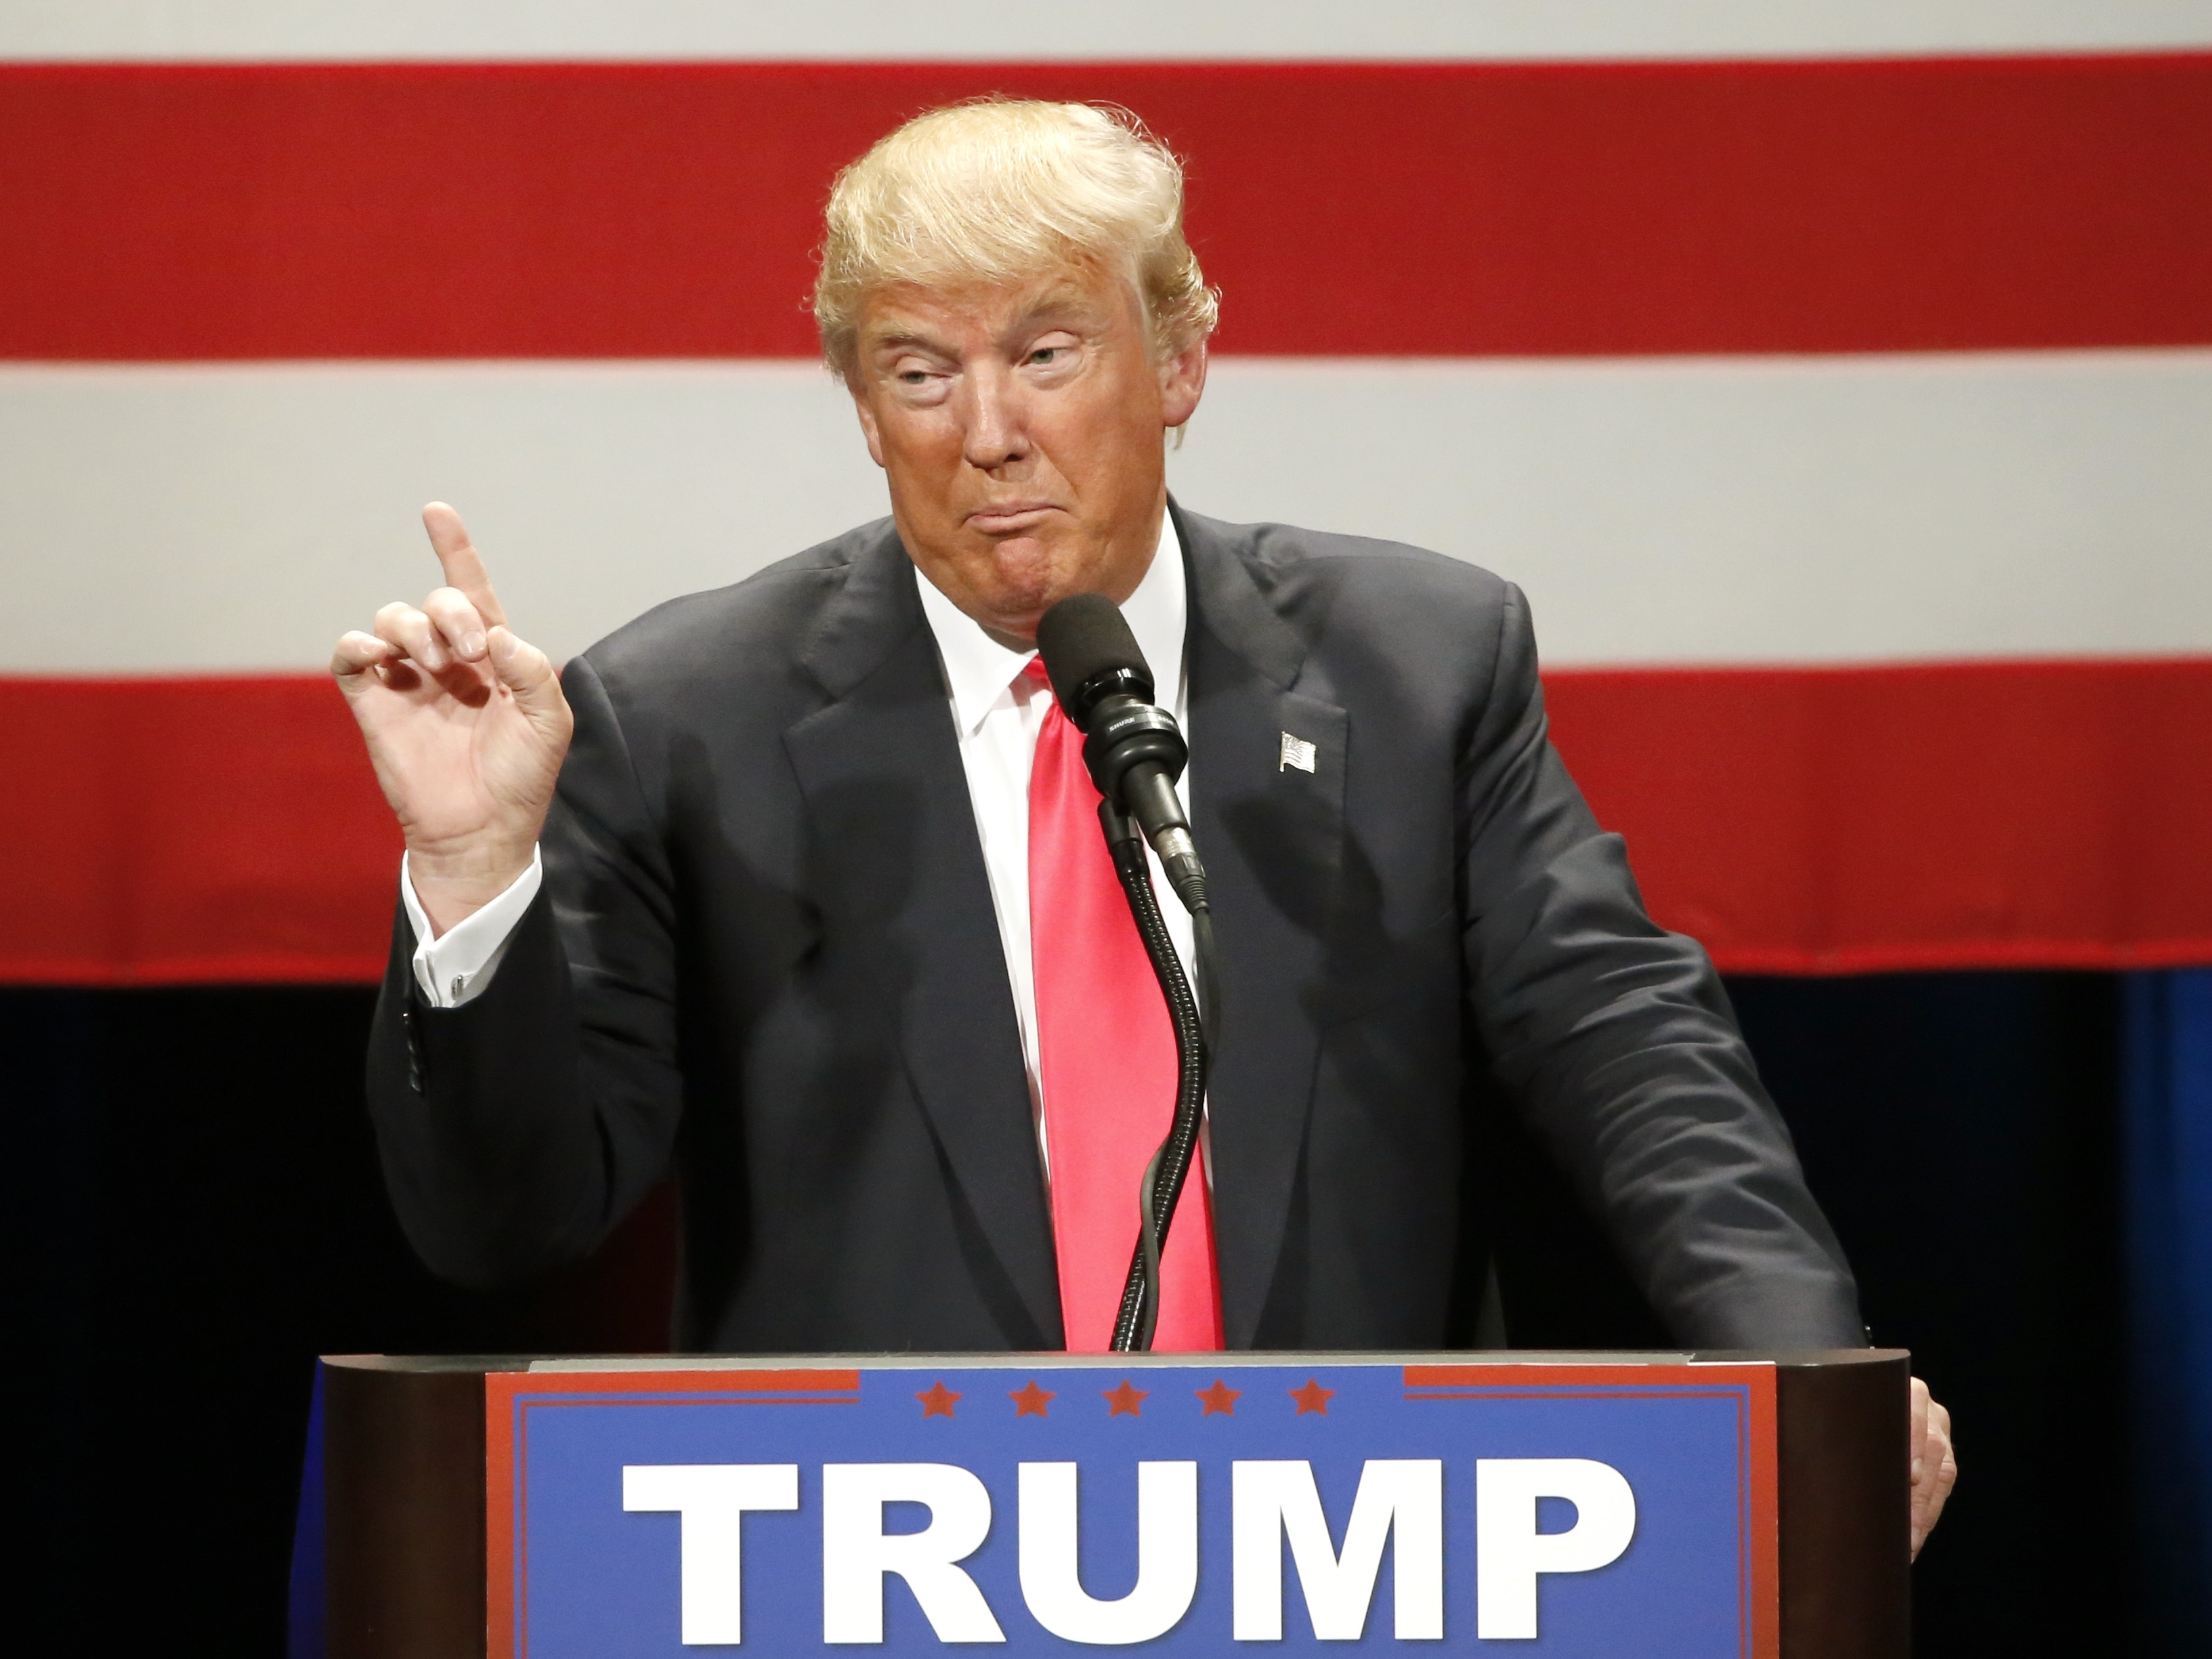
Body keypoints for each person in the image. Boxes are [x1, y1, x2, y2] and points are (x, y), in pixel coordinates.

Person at [333, 99, 1954, 1553]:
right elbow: (503, 1222)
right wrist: (476, 870)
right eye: (918, 370)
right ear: (860, 404)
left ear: (1178, 361)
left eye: (1046, 352)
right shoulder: (689, 713)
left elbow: (1626, 1046)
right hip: (875, 1571)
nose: (985, 432)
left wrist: (1801, 1374)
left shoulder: (1416, 664)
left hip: (1349, 1556)